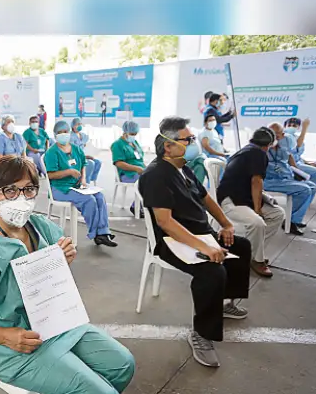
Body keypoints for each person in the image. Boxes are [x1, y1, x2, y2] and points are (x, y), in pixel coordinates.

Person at [0, 156, 135, 394]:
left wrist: (63, 260)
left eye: (28, 189)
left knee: (123, 365)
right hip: (15, 345)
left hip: (56, 324)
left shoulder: (38, 227)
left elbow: (47, 282)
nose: (21, 198)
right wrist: (6, 336)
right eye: (10, 190)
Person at [138, 116, 253, 367]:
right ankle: (202, 334)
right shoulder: (156, 175)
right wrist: (205, 247)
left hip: (199, 233)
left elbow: (206, 199)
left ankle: (223, 302)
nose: (192, 143)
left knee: (241, 246)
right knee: (212, 272)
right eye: (187, 139)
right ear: (167, 146)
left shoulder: (183, 167)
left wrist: (225, 224)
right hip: (172, 241)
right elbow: (165, 222)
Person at [215, 126, 284, 277]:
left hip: (244, 197)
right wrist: (258, 209)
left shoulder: (248, 150)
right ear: (269, 145)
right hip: (231, 200)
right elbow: (256, 182)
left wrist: (261, 202)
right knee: (257, 222)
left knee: (278, 214)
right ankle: (256, 260)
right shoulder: (258, 154)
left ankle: (252, 253)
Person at [44, 121, 117, 247]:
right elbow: (50, 175)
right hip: (60, 188)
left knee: (99, 197)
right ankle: (95, 233)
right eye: (60, 133)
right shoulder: (52, 152)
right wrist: (69, 172)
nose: (63, 135)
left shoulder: (76, 149)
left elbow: (83, 164)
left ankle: (103, 232)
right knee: (89, 200)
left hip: (76, 185)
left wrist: (83, 179)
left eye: (65, 132)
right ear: (55, 135)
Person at [264, 122, 316, 235]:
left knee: (312, 186)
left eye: (278, 134)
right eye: (273, 134)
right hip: (270, 179)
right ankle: (290, 221)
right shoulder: (263, 144)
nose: (277, 136)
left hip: (285, 175)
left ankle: (295, 219)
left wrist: (297, 171)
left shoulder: (286, 140)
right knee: (304, 189)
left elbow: (289, 155)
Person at [111, 120, 147, 216]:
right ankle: (135, 206)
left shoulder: (135, 143)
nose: (133, 136)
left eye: (135, 134)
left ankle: (143, 206)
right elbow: (119, 163)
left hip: (140, 171)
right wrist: (136, 168)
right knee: (145, 181)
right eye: (132, 133)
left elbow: (140, 158)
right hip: (127, 174)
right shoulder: (117, 145)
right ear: (125, 132)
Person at [283, 117, 316, 188]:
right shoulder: (285, 137)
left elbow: (297, 155)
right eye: (289, 125)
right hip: (290, 164)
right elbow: (297, 145)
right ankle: (309, 189)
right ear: (284, 126)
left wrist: (308, 163)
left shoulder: (296, 137)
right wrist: (304, 128)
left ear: (298, 127)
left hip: (299, 162)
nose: (291, 127)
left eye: (294, 126)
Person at [70, 118, 102, 184]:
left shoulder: (83, 135)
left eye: (80, 124)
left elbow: (84, 144)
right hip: (74, 159)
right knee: (90, 163)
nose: (79, 126)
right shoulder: (70, 136)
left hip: (82, 157)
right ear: (73, 126)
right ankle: (85, 182)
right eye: (77, 124)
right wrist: (85, 157)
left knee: (98, 162)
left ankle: (90, 179)